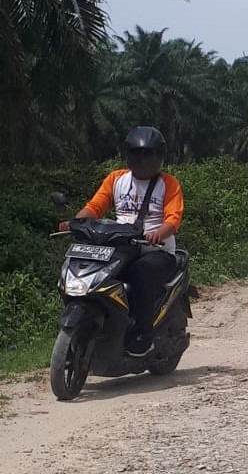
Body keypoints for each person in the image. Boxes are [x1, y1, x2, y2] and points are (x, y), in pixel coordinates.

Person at [59, 126, 184, 357]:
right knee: (94, 273)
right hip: (121, 247)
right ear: (128, 155)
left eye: (149, 155)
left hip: (155, 251)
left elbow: (173, 218)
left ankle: (143, 335)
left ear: (159, 156)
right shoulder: (116, 179)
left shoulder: (168, 183)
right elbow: (95, 207)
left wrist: (159, 233)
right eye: (137, 154)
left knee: (140, 273)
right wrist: (74, 222)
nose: (143, 160)